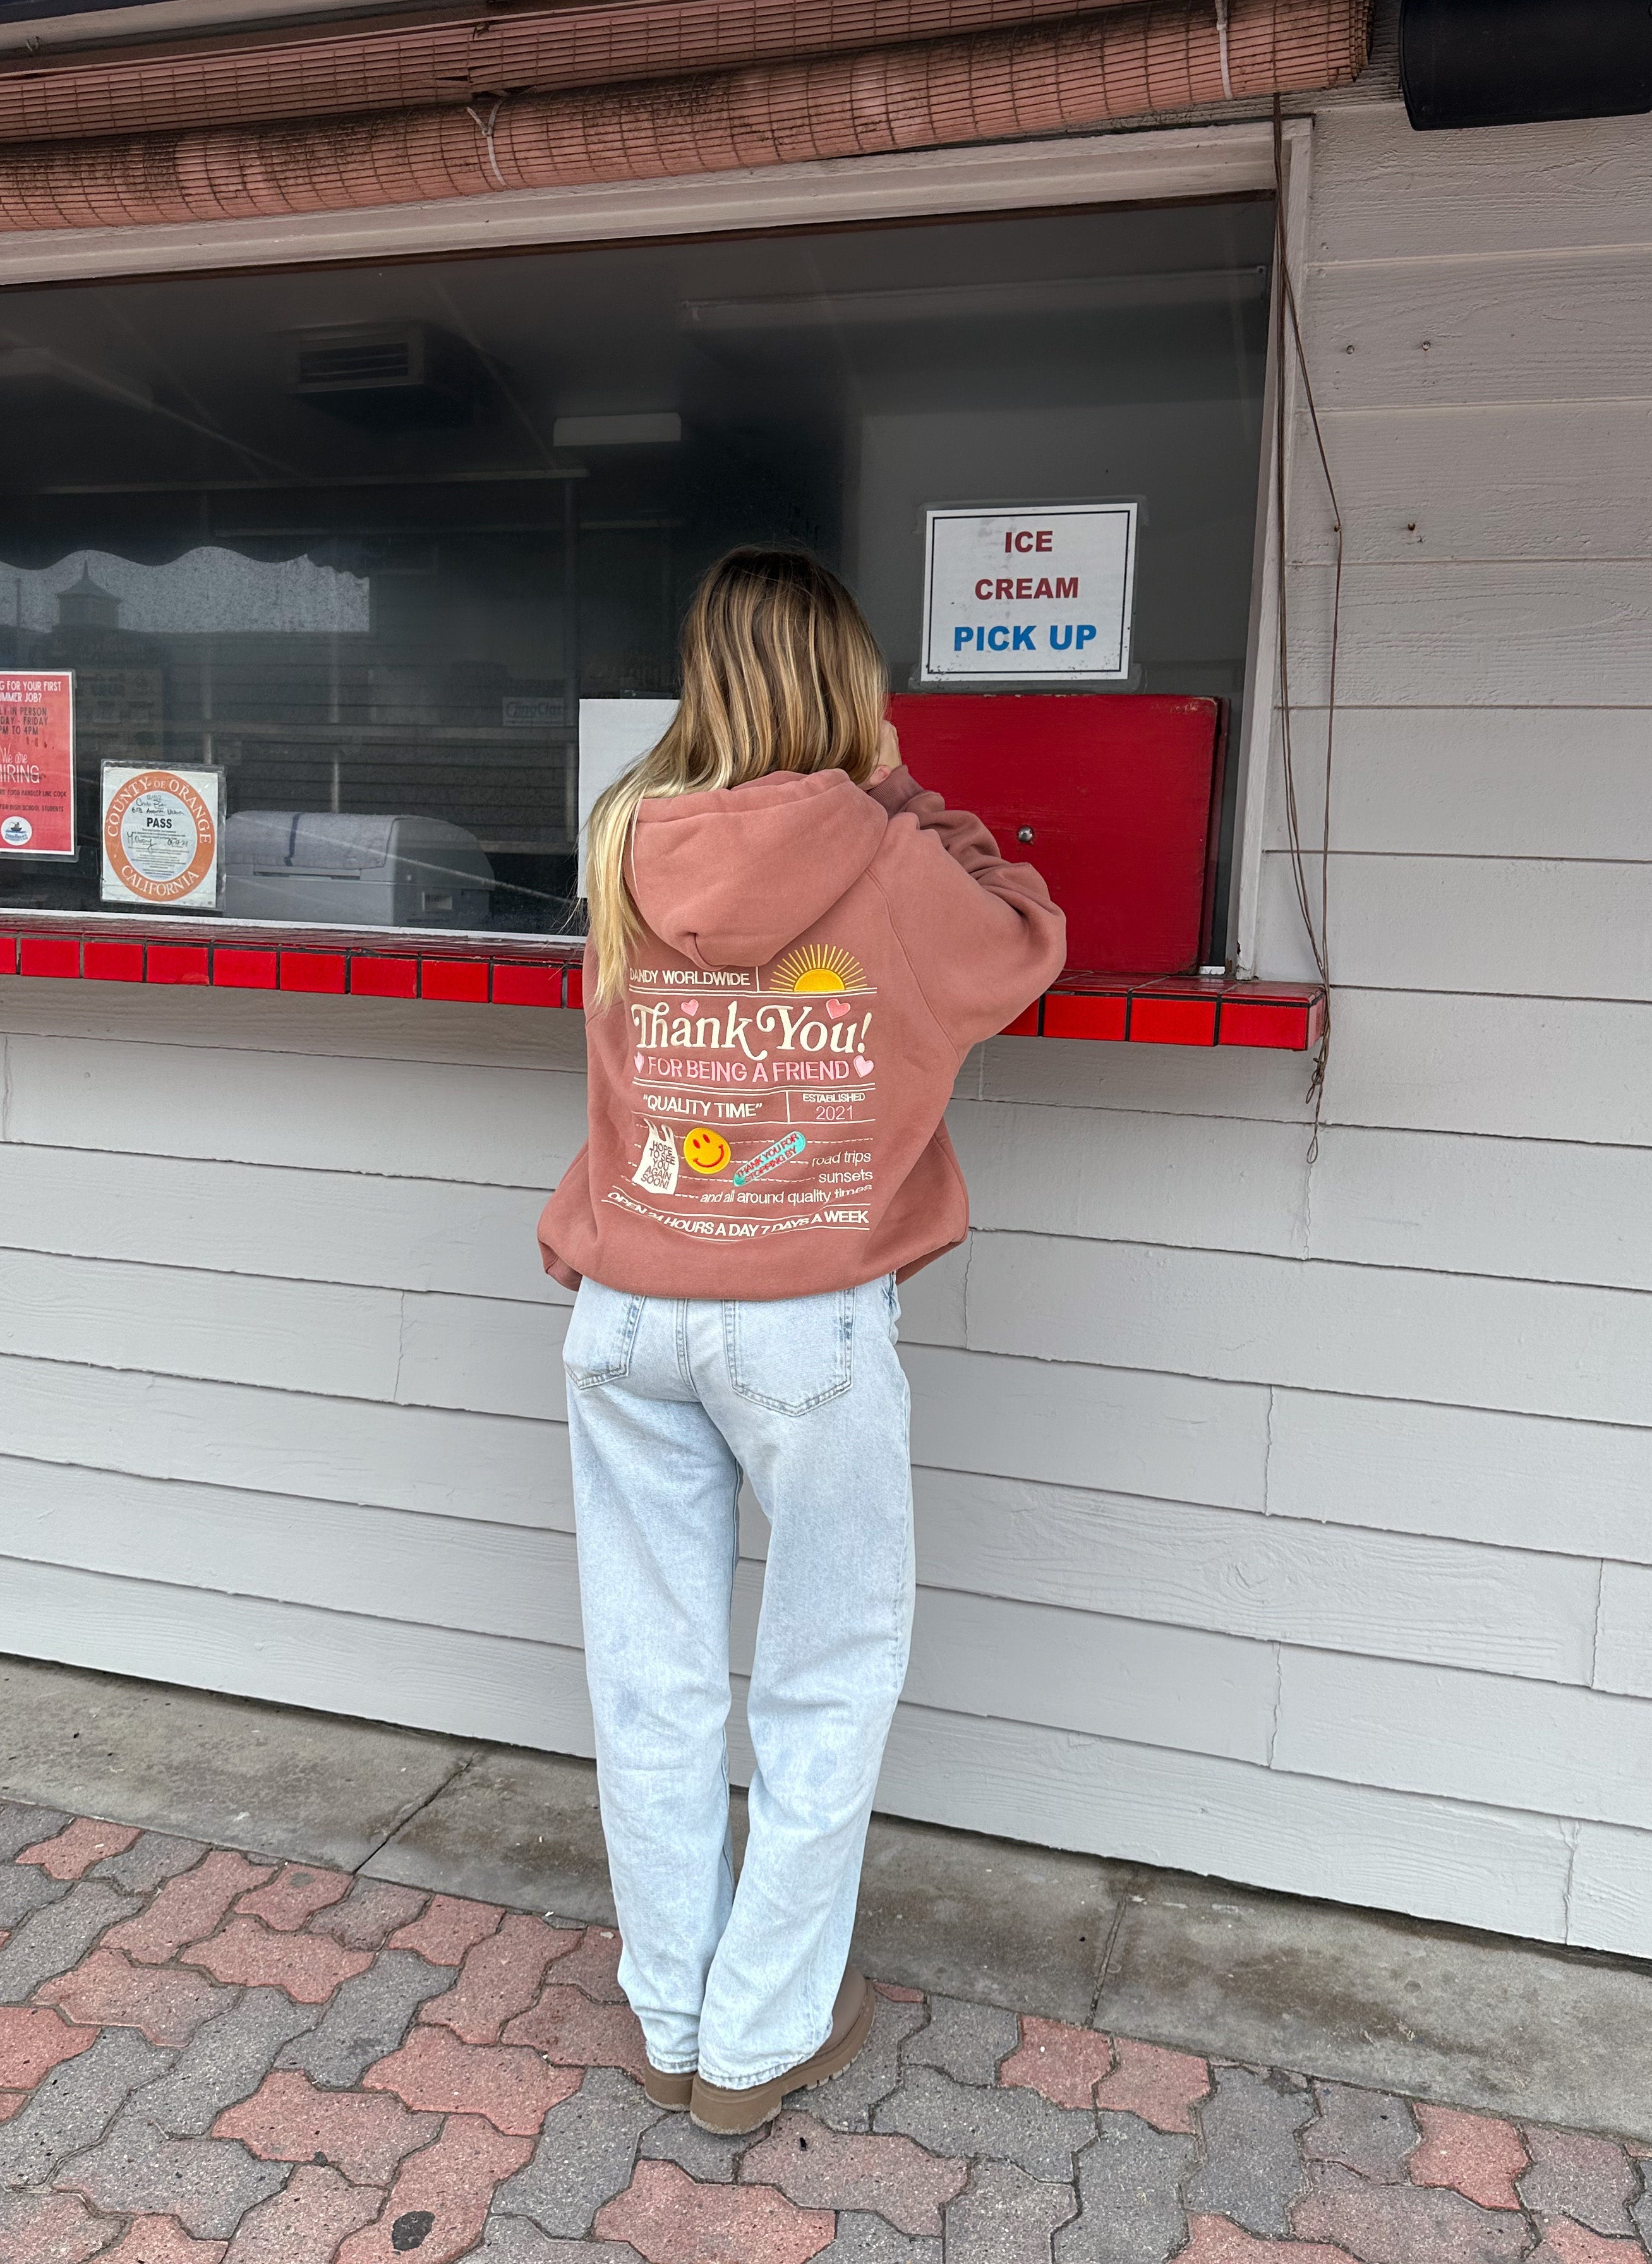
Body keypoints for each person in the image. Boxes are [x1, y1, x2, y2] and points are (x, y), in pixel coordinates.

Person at [538, 547, 1066, 2135]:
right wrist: (909, 797)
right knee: (824, 1679)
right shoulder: (903, 866)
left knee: (652, 1682)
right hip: (803, 1324)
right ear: (856, 685)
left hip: (629, 1310)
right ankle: (758, 2037)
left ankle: (672, 2009)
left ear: (702, 678)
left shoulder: (624, 834)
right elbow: (1028, 940)